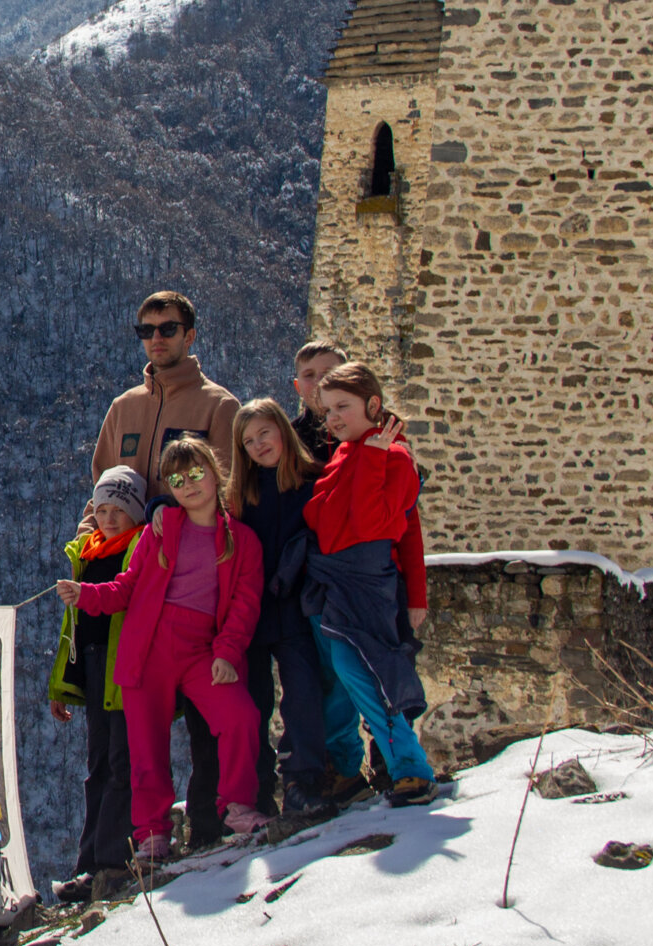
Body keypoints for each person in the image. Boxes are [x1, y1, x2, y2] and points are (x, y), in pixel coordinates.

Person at [57, 437, 268, 861]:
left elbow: (245, 603)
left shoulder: (241, 539)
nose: (188, 485)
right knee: (145, 745)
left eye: (195, 474)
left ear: (214, 471)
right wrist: (87, 595)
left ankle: (236, 805)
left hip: (202, 648)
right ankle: (152, 831)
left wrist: (227, 653)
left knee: (240, 717)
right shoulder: (161, 529)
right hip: (148, 644)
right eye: (176, 479)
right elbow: (128, 587)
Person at [303, 363, 439, 807]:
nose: (334, 418)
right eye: (328, 411)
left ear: (373, 405)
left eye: (343, 407)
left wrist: (376, 457)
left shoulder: (394, 458)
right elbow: (321, 519)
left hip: (368, 582)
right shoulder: (345, 454)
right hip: (340, 582)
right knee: (358, 672)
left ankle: (410, 768)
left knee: (371, 672)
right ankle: (405, 766)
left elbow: (374, 525)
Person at [227, 399, 349, 814]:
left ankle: (303, 781)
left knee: (304, 693)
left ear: (282, 430)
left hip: (298, 607)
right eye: (248, 441)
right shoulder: (239, 497)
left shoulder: (314, 482)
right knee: (254, 704)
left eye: (264, 433)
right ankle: (259, 795)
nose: (259, 444)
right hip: (250, 612)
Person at [46, 466, 146, 899]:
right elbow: (72, 627)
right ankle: (91, 862)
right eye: (102, 509)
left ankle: (111, 859)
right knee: (98, 764)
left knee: (121, 762)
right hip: (92, 668)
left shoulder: (140, 549)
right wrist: (61, 686)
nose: (109, 519)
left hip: (125, 668)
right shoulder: (87, 553)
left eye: (119, 510)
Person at [91, 292, 241, 488]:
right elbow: (103, 493)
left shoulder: (220, 407)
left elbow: (230, 491)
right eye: (146, 330)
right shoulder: (122, 408)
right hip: (129, 521)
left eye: (168, 329)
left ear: (189, 336)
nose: (156, 338)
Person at [291, 341, 346, 467]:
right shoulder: (290, 439)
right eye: (309, 375)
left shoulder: (365, 427)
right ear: (298, 387)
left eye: (328, 373)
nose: (319, 381)